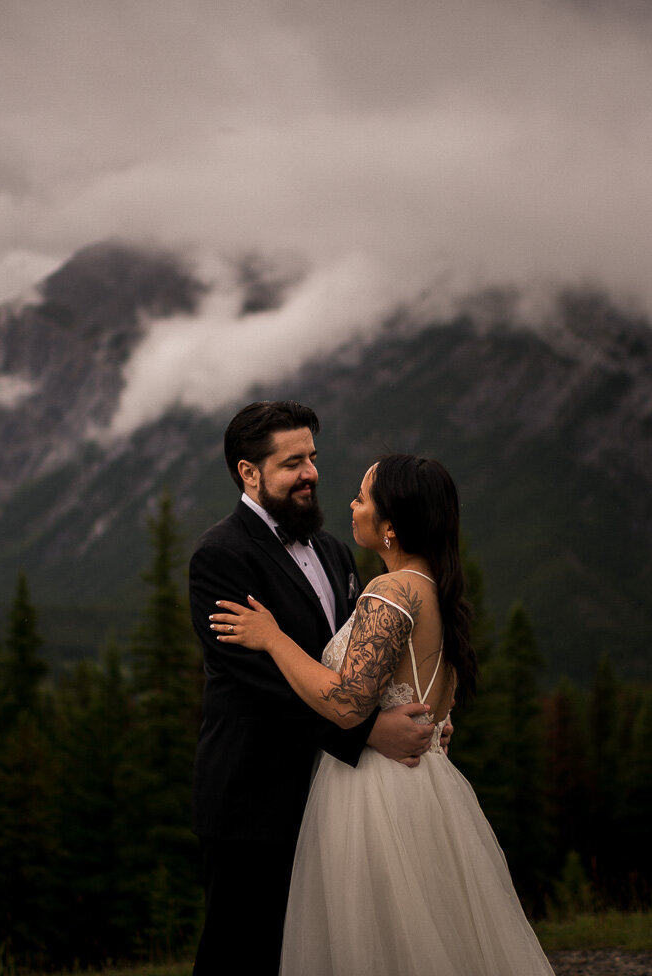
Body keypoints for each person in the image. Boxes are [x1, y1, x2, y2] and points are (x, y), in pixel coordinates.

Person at [212, 454, 555, 975]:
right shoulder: (435, 589)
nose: (351, 506)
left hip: (375, 792)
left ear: (391, 525)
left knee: (374, 944)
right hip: (429, 790)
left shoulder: (390, 590)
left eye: (363, 498)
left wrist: (273, 639)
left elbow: (349, 705)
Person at [189, 402, 442, 976]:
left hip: (333, 796)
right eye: (292, 463)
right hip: (254, 798)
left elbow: (358, 665)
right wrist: (370, 731)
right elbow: (255, 683)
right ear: (248, 473)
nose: (311, 473)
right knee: (241, 953)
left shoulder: (331, 550)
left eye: (313, 458)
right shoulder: (220, 556)